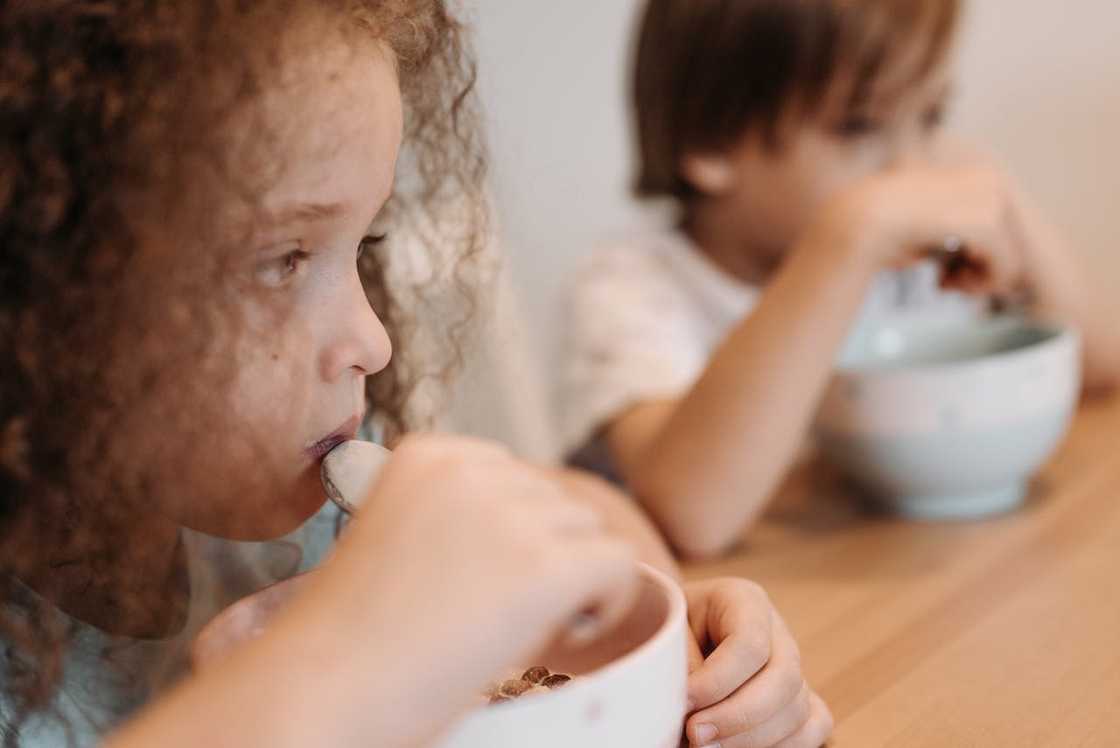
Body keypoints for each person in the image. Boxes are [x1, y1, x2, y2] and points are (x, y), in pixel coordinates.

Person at [0, 2, 831, 747]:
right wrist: (336, 667)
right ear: (43, 289)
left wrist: (692, 658)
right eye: (282, 259)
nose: (373, 340)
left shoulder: (308, 518)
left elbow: (594, 513)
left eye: (361, 247)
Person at [563, 0, 1120, 559]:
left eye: (930, 117)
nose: (908, 170)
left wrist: (999, 194)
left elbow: (1100, 367)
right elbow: (690, 517)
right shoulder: (636, 288)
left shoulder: (911, 240)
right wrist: (845, 239)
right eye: (860, 126)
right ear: (710, 141)